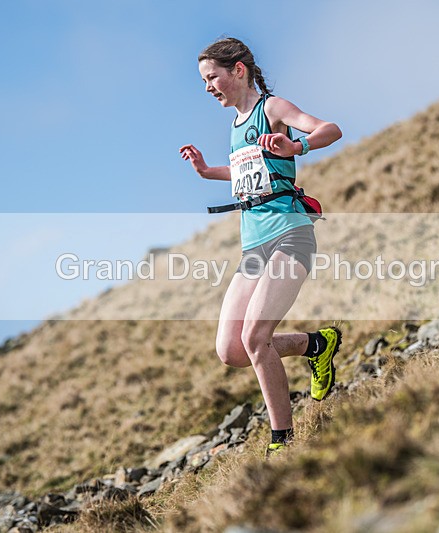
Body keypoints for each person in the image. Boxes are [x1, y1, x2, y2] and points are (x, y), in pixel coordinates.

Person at [179, 37, 343, 455]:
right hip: (254, 248)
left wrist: (297, 146)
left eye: (212, 77)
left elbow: (330, 129)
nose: (207, 88)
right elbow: (248, 172)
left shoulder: (272, 108)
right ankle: (316, 345)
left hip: (290, 234)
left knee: (255, 337)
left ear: (238, 70)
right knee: (232, 350)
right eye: (203, 81)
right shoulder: (236, 126)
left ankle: (281, 441)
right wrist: (207, 171)